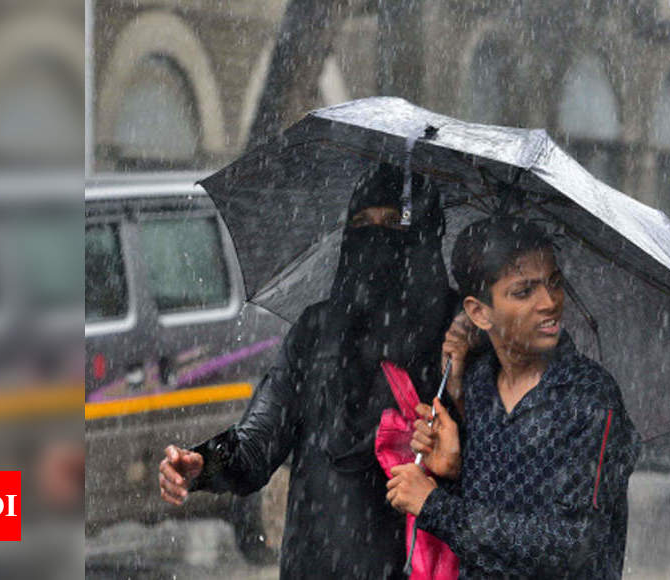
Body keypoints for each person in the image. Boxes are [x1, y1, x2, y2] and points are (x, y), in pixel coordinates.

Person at [157, 164, 458, 579]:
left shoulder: (457, 332)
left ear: (425, 233)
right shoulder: (317, 331)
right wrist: (204, 464)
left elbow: (484, 471)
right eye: (361, 223)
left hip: (412, 564)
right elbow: (258, 443)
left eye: (394, 223)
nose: (376, 238)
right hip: (315, 562)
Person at [385, 216, 640, 579]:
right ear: (479, 312)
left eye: (553, 283)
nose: (550, 302)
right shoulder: (477, 385)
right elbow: (488, 517)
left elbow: (575, 545)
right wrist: (451, 471)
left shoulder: (589, 396)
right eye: (524, 292)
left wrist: (435, 505)